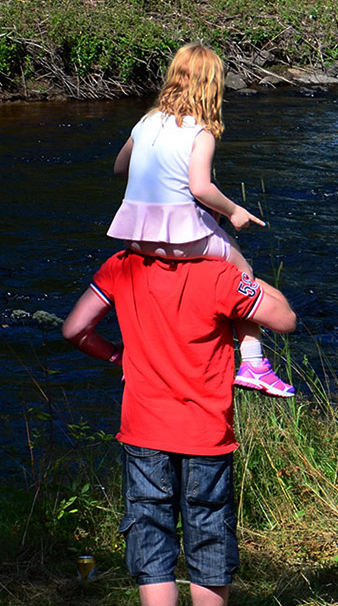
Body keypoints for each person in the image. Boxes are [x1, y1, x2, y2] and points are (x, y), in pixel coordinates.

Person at [62, 252, 297, 606]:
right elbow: (284, 318)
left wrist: (118, 357)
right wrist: (247, 271)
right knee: (209, 533)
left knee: (150, 537)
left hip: (144, 430)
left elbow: (76, 329)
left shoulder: (122, 266)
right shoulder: (219, 274)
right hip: (206, 434)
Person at [107, 42, 294, 398]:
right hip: (181, 237)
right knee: (243, 274)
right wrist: (234, 211)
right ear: (212, 87)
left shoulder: (145, 122)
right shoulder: (200, 133)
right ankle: (254, 363)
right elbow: (200, 187)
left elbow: (119, 167)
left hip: (134, 235)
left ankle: (142, 356)